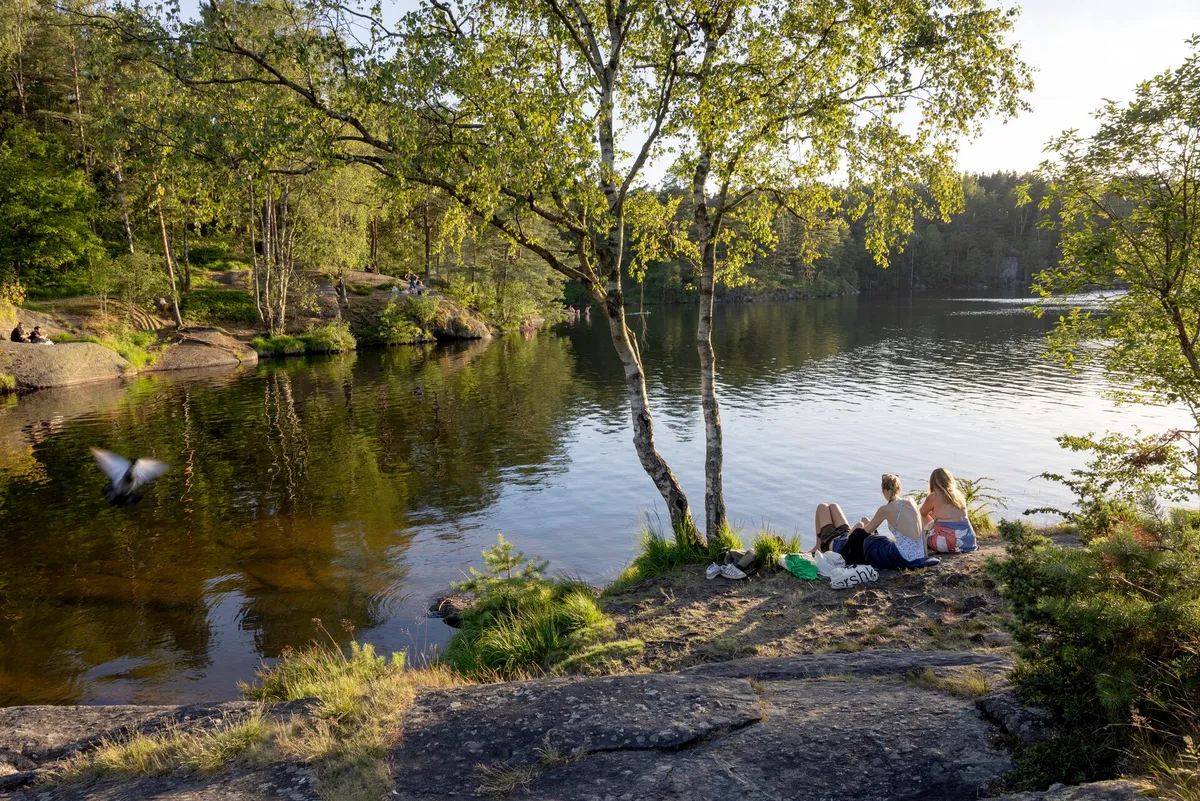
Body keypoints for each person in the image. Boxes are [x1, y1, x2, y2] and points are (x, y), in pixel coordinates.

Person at [919, 468, 978, 553]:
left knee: (921, 514)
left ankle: (920, 543)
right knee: (934, 515)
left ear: (933, 482)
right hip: (968, 542)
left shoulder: (934, 496)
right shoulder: (958, 494)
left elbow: (922, 513)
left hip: (949, 544)